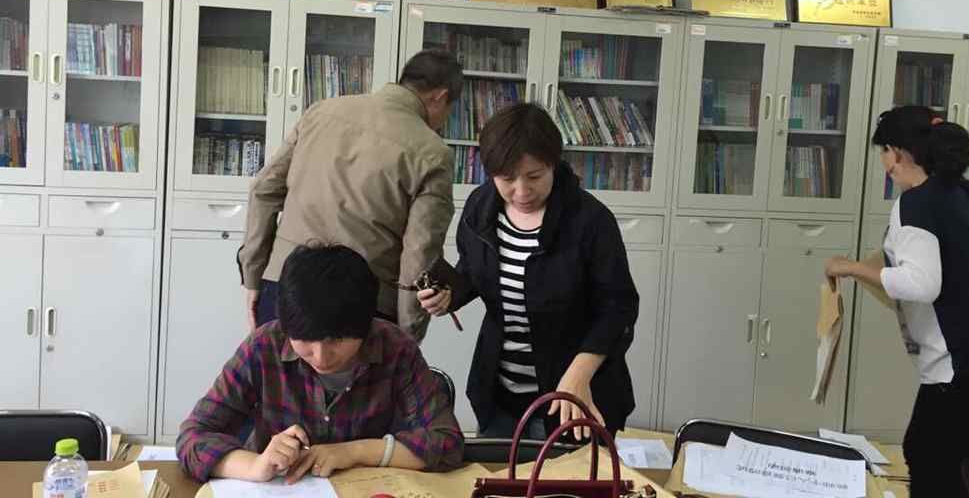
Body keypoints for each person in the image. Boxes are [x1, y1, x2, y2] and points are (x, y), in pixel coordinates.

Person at [824, 106, 969, 496]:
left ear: (900, 152)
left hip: (961, 372)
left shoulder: (915, 204)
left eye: (885, 151)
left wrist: (851, 268)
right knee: (967, 464)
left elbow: (922, 284)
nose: (884, 163)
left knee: (928, 456)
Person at [418, 103, 639, 439]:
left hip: (574, 397)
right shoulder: (481, 207)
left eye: (534, 176)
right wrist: (449, 295)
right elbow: (475, 271)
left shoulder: (590, 220)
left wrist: (579, 374)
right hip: (500, 395)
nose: (521, 191)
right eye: (507, 178)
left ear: (553, 164)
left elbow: (618, 308)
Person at [177, 244, 464, 483]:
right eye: (305, 340)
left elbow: (446, 444)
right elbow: (194, 437)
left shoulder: (395, 348)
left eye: (337, 340)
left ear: (365, 324)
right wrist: (254, 465)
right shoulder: (264, 346)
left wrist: (352, 452)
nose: (322, 357)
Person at [238, 48, 462, 341]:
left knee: (275, 372)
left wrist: (253, 276)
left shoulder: (321, 111)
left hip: (283, 285)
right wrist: (408, 336)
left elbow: (264, 189)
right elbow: (419, 252)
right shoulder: (433, 153)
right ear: (440, 97)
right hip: (362, 303)